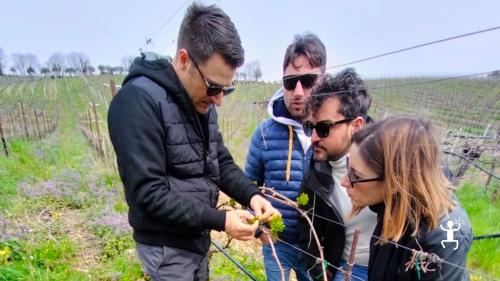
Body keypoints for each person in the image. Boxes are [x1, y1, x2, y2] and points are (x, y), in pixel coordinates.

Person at [108, 3, 278, 280]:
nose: (219, 100)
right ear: (184, 59)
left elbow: (219, 160)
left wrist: (252, 195)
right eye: (213, 87)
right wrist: (220, 220)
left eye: (225, 89)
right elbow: (148, 194)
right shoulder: (137, 102)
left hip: (195, 237)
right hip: (166, 247)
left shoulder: (200, 101)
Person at [342, 116, 472, 281]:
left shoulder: (444, 237)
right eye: (348, 167)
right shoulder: (393, 204)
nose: (344, 181)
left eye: (356, 175)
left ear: (396, 181)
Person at [245, 33, 326, 281]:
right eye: (291, 82)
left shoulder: (333, 133)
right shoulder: (265, 134)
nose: (298, 91)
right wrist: (260, 230)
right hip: (277, 244)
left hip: (317, 249)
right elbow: (247, 184)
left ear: (323, 79)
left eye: (308, 80)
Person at [298, 68, 376, 281]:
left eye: (323, 128)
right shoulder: (315, 168)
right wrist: (318, 270)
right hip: (344, 270)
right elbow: (307, 228)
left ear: (356, 126)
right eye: (309, 127)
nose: (313, 138)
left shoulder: (389, 159)